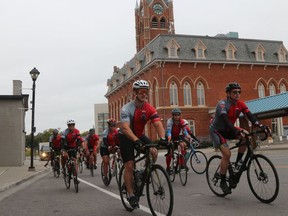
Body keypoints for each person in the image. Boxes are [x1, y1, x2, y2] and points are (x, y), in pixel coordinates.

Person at [210, 82, 268, 194]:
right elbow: (225, 120)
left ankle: (237, 163)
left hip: (229, 129)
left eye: (239, 92)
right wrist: (236, 130)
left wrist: (261, 126)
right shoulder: (222, 104)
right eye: (234, 92)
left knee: (245, 136)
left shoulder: (240, 104)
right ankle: (222, 181)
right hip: (218, 131)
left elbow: (250, 116)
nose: (237, 94)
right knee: (227, 154)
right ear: (228, 93)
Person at [119, 79, 166, 209]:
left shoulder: (149, 108)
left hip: (139, 135)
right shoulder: (126, 109)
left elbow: (157, 123)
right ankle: (131, 195)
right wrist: (136, 141)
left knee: (154, 152)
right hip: (126, 137)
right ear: (135, 92)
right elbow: (125, 128)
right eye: (141, 92)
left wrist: (163, 138)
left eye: (146, 92)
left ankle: (142, 173)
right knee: (129, 164)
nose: (144, 94)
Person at [165, 108, 191, 172]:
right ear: (173, 115)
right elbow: (169, 131)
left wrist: (189, 137)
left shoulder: (181, 121)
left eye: (178, 115)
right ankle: (168, 167)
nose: (177, 116)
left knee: (182, 145)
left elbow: (185, 131)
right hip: (169, 136)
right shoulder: (170, 121)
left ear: (180, 115)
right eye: (175, 115)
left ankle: (181, 164)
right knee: (170, 152)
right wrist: (169, 139)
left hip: (177, 136)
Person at [100, 118, 120, 185]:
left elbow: (119, 140)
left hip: (113, 146)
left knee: (120, 151)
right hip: (105, 147)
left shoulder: (117, 131)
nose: (113, 127)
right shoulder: (105, 132)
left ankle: (119, 161)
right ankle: (105, 176)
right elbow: (105, 140)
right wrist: (108, 146)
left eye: (114, 125)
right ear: (108, 125)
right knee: (106, 161)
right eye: (111, 125)